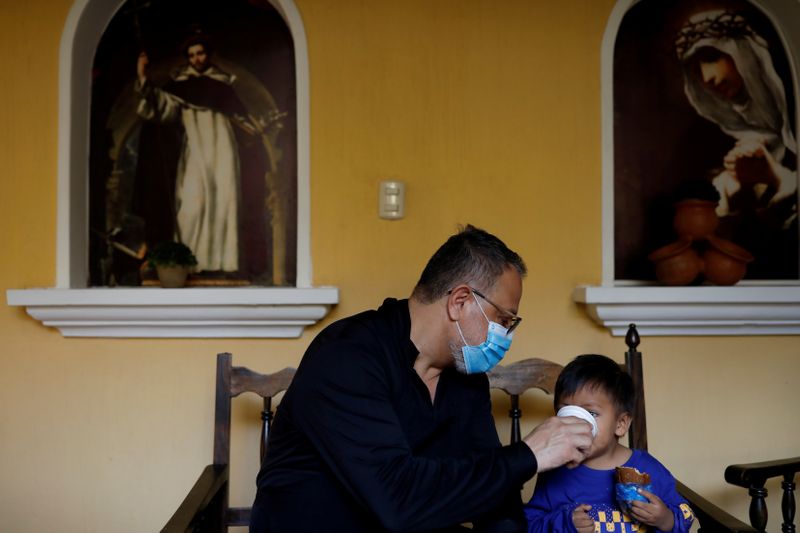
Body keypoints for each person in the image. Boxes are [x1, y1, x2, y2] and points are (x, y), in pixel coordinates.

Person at [250, 225, 594, 533]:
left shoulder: (465, 376)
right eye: (503, 319)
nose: (506, 334)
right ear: (460, 301)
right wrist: (530, 453)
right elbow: (397, 500)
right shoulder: (348, 355)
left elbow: (494, 493)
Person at [675, 9, 798, 278]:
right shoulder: (718, 144)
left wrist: (777, 178)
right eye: (697, 70)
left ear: (746, 53)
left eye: (710, 58)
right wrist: (728, 197)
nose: (706, 78)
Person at [524, 354, 694, 532]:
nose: (575, 423)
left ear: (620, 424)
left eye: (592, 413)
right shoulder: (556, 471)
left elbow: (685, 513)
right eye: (565, 411)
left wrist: (665, 519)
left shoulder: (646, 468)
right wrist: (564, 524)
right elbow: (530, 524)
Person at [136, 34, 257, 273]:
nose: (196, 59)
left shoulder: (223, 85)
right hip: (196, 151)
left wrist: (256, 129)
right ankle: (190, 264)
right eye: (191, 55)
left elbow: (244, 121)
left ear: (208, 54)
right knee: (192, 203)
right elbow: (161, 108)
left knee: (224, 201)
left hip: (222, 150)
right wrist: (143, 76)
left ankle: (223, 264)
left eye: (200, 53)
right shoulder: (180, 86)